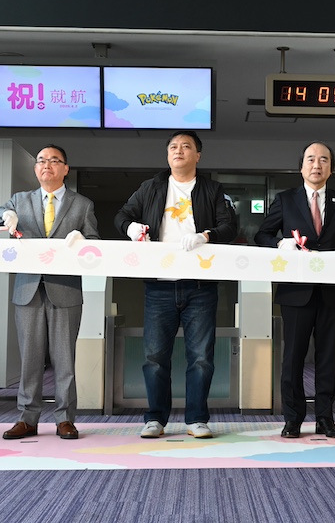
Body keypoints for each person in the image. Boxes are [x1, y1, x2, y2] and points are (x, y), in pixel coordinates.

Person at [115, 131, 237, 439]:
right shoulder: (151, 188)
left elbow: (230, 225)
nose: (178, 151)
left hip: (200, 285)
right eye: (173, 147)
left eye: (186, 147)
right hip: (159, 285)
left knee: (201, 357)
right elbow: (122, 215)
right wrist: (131, 227)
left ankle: (197, 418)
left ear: (198, 155)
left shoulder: (212, 189)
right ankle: (155, 418)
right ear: (167, 155)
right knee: (155, 357)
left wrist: (206, 235)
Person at [0, 144, 99, 440]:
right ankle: (27, 418)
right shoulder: (20, 200)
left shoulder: (82, 204)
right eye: (42, 161)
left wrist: (83, 239)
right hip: (28, 290)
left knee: (64, 359)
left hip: (66, 290)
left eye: (54, 161)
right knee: (29, 358)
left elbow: (95, 242)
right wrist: (4, 215)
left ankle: (65, 419)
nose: (47, 165)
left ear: (65, 168)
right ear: (35, 169)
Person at [254, 141, 335, 439]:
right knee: (292, 357)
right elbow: (262, 233)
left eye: (323, 160)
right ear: (301, 166)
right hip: (295, 291)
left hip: (331, 292)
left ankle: (325, 418)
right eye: (310, 159)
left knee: (327, 358)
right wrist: (280, 243)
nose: (316, 165)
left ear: (331, 168)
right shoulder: (286, 199)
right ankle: (293, 419)